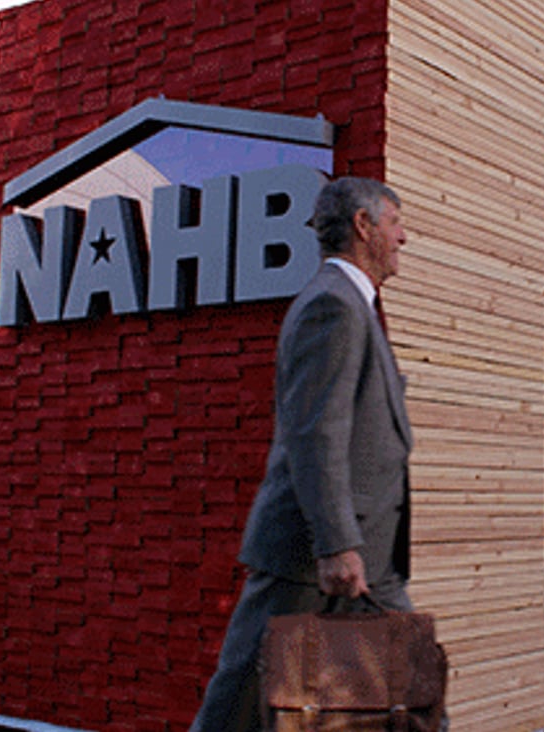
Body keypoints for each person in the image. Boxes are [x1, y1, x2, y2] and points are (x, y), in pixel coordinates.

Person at [191, 177, 413, 732]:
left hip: (366, 555)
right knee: (239, 701)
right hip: (318, 556)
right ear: (363, 226)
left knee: (409, 691)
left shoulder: (352, 305)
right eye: (394, 222)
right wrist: (337, 543)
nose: (403, 237)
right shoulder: (332, 306)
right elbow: (316, 432)